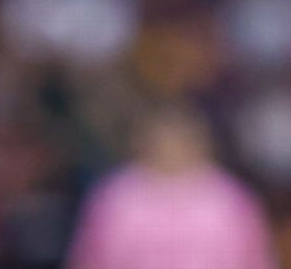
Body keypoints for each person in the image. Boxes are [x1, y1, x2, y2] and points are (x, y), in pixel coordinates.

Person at [65, 104, 277, 269]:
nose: (170, 148)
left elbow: (254, 261)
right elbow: (90, 260)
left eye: (178, 139)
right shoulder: (114, 197)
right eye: (162, 140)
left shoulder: (230, 199)